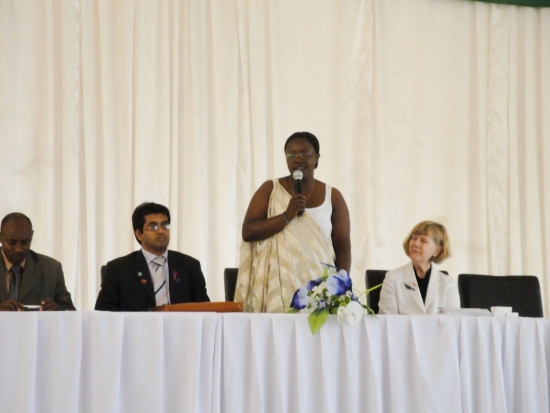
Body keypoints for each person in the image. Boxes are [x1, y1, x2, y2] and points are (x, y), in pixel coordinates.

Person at [234, 131, 351, 313]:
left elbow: (342, 245)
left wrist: (340, 288)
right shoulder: (270, 190)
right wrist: (286, 215)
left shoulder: (333, 196)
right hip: (277, 286)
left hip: (319, 290)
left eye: (305, 154)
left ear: (317, 158)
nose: (298, 159)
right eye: (291, 154)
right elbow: (248, 231)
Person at [95, 202, 209, 311]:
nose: (161, 231)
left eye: (165, 225)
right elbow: (103, 310)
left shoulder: (189, 266)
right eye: (153, 227)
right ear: (139, 234)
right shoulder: (119, 269)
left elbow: (205, 309)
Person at [378, 221, 460, 315]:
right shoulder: (393, 278)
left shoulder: (449, 284)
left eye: (423, 240)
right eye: (414, 238)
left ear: (438, 250)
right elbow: (387, 321)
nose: (416, 244)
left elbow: (453, 323)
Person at [0, 213, 75, 311]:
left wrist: (57, 310)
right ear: (1, 237)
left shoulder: (51, 269)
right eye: (12, 243)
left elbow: (70, 312)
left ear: (32, 235)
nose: (18, 249)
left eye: (25, 242)